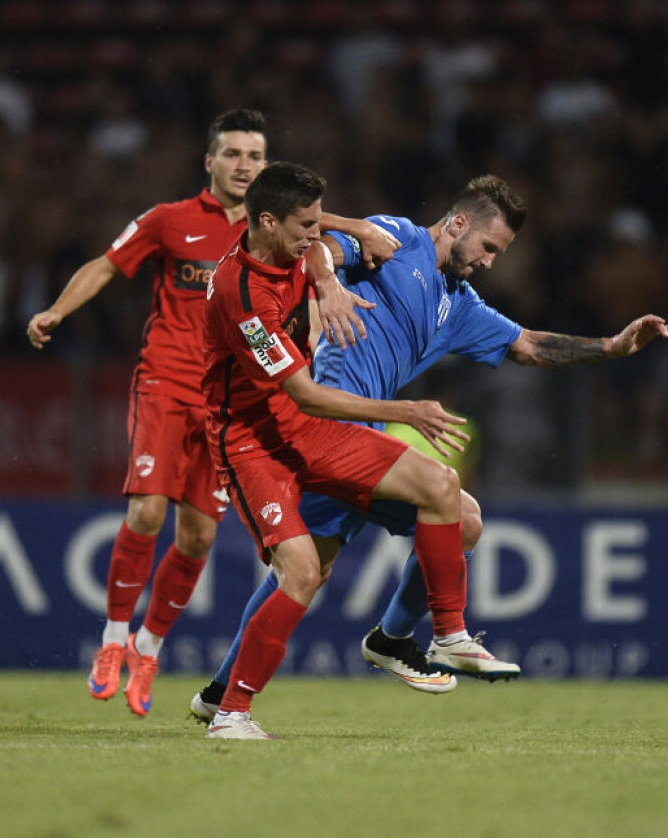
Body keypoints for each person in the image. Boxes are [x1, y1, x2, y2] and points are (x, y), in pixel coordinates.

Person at [191, 174, 668, 718]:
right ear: (459, 223)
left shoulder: (460, 306)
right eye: (489, 247)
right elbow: (321, 246)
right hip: (326, 423)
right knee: (437, 505)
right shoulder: (397, 240)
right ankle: (414, 637)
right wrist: (327, 285)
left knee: (313, 567)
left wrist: (610, 347)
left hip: (350, 432)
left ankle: (224, 694)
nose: (491, 261)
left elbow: (529, 345)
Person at [25, 110, 397, 717]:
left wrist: (353, 236)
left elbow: (317, 224)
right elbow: (105, 265)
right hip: (168, 384)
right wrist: (57, 312)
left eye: (255, 155)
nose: (244, 164)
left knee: (197, 536)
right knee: (148, 511)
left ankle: (149, 650)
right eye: (233, 154)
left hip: (234, 408)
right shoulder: (169, 221)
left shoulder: (274, 228)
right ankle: (113, 640)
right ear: (210, 161)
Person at [201, 161, 495, 740]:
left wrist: (351, 236)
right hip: (253, 442)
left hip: (307, 429)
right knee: (303, 572)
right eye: (305, 224)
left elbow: (314, 242)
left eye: (317, 221)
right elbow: (307, 396)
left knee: (446, 492)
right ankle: (230, 711)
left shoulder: (289, 245)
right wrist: (404, 411)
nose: (315, 234)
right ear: (267, 223)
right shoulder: (241, 294)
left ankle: (445, 634)